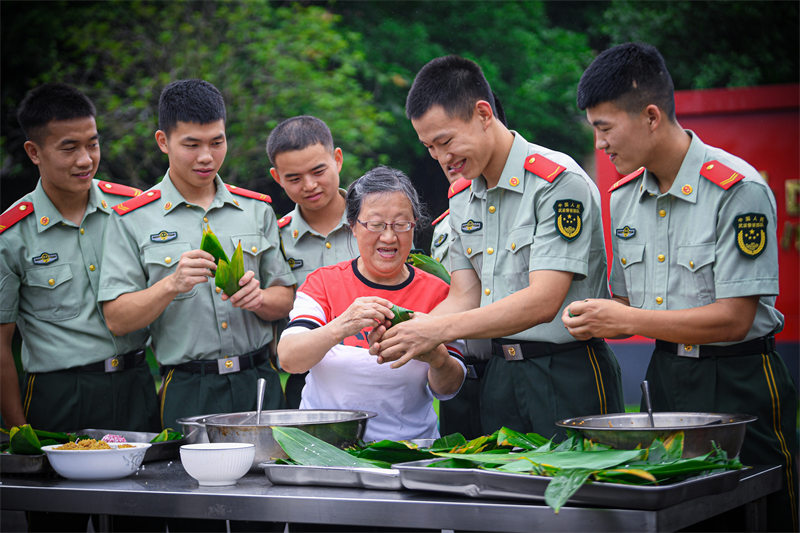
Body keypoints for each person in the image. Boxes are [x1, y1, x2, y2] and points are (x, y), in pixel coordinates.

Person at [566, 41, 797, 532]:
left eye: (605, 128)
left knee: (760, 507)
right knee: (678, 514)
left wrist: (626, 319)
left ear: (651, 116)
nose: (601, 145)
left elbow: (735, 318)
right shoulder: (624, 198)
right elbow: (627, 303)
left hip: (739, 376)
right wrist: (594, 313)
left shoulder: (737, 190)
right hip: (666, 373)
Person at [370, 56, 623, 440]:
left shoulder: (556, 183)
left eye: (445, 141)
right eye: (429, 147)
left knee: (579, 494)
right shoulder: (462, 198)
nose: (441, 157)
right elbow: (465, 296)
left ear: (483, 114)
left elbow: (543, 301)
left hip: (566, 372)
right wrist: (405, 327)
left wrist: (435, 329)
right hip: (499, 377)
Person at [0, 83, 159, 531]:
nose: (85, 159)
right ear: (34, 151)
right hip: (58, 398)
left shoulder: (133, 209)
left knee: (143, 520)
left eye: (92, 144)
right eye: (68, 148)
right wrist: (18, 434)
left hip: (133, 386)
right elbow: (1, 345)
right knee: (58, 523)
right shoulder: (12, 235)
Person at [98, 79, 296, 433]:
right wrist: (171, 283)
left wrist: (259, 299)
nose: (207, 157)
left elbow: (285, 299)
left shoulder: (256, 209)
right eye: (191, 144)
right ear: (164, 141)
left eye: (217, 142)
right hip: (188, 387)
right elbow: (117, 318)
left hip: (259, 381)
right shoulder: (132, 218)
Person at [278, 166, 466, 442]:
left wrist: (436, 357)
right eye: (376, 225)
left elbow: (448, 388)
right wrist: (342, 326)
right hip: (327, 448)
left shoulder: (440, 294)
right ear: (352, 226)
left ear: (415, 224)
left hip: (407, 450)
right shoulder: (323, 283)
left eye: (401, 224)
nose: (389, 237)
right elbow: (290, 359)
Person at [267, 115, 358, 408]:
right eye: (294, 178)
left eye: (318, 171)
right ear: (277, 177)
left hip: (376, 370)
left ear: (337, 159)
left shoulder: (376, 227)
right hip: (305, 379)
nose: (309, 185)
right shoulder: (275, 240)